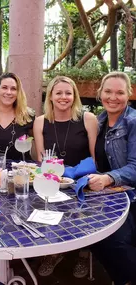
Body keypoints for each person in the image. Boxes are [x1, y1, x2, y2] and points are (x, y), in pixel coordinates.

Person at [33, 76, 98, 278]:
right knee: (48, 212)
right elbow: (42, 158)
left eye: (68, 93)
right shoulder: (40, 122)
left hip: (82, 180)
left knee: (83, 218)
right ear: (50, 96)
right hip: (55, 181)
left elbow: (95, 158)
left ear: (74, 96)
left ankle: (82, 254)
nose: (63, 97)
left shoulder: (88, 119)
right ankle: (55, 253)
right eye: (58, 93)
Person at [88, 72, 136, 285]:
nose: (113, 97)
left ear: (129, 95)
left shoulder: (133, 122)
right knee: (91, 235)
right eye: (108, 91)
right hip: (106, 196)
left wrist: (108, 178)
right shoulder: (98, 121)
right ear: (100, 93)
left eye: (119, 92)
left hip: (130, 195)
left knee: (115, 240)